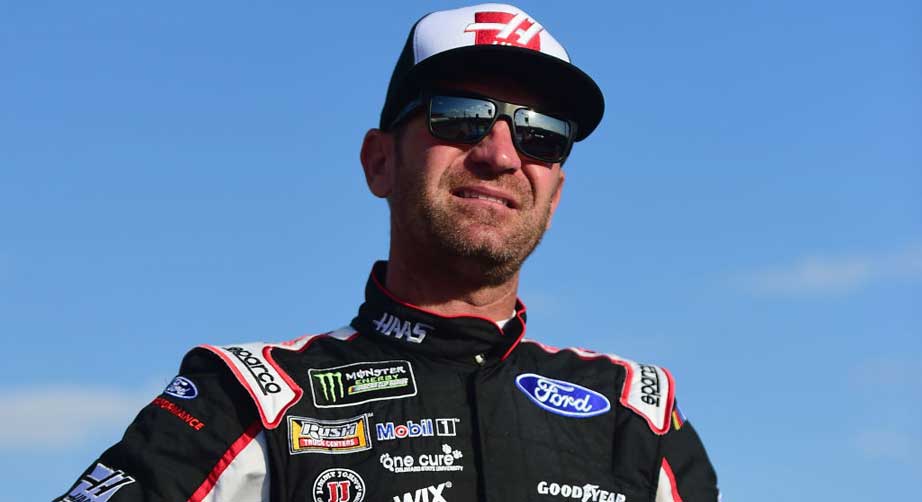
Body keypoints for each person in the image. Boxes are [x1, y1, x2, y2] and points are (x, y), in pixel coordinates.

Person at [57, 4, 718, 502]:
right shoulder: (247, 398)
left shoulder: (640, 415)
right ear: (379, 162)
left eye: (541, 135)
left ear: (556, 192)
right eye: (461, 117)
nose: (500, 154)